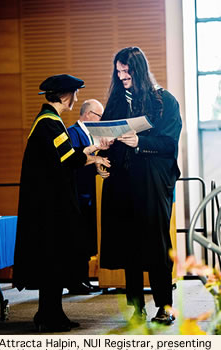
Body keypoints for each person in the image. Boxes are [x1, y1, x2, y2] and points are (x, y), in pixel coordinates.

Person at [13, 74, 110, 332]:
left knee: (52, 262)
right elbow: (67, 161)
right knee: (53, 262)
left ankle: (49, 313)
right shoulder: (49, 123)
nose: (76, 98)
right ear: (65, 95)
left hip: (47, 205)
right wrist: (93, 157)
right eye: (74, 93)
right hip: (50, 208)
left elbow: (67, 156)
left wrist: (92, 153)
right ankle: (50, 315)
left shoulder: (50, 121)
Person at [97, 47, 182, 325]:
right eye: (118, 71)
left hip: (152, 184)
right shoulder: (117, 101)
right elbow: (108, 134)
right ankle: (137, 307)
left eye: (127, 71)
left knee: (157, 245)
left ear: (139, 70)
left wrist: (140, 142)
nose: (122, 77)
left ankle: (165, 305)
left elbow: (169, 144)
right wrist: (103, 154)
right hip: (122, 183)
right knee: (128, 246)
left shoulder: (164, 101)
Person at [67, 99, 104, 294]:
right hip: (78, 194)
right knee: (77, 240)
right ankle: (75, 281)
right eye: (100, 116)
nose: (101, 120)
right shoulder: (72, 132)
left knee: (86, 240)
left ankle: (83, 278)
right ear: (89, 114)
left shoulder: (90, 135)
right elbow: (74, 161)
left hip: (89, 195)